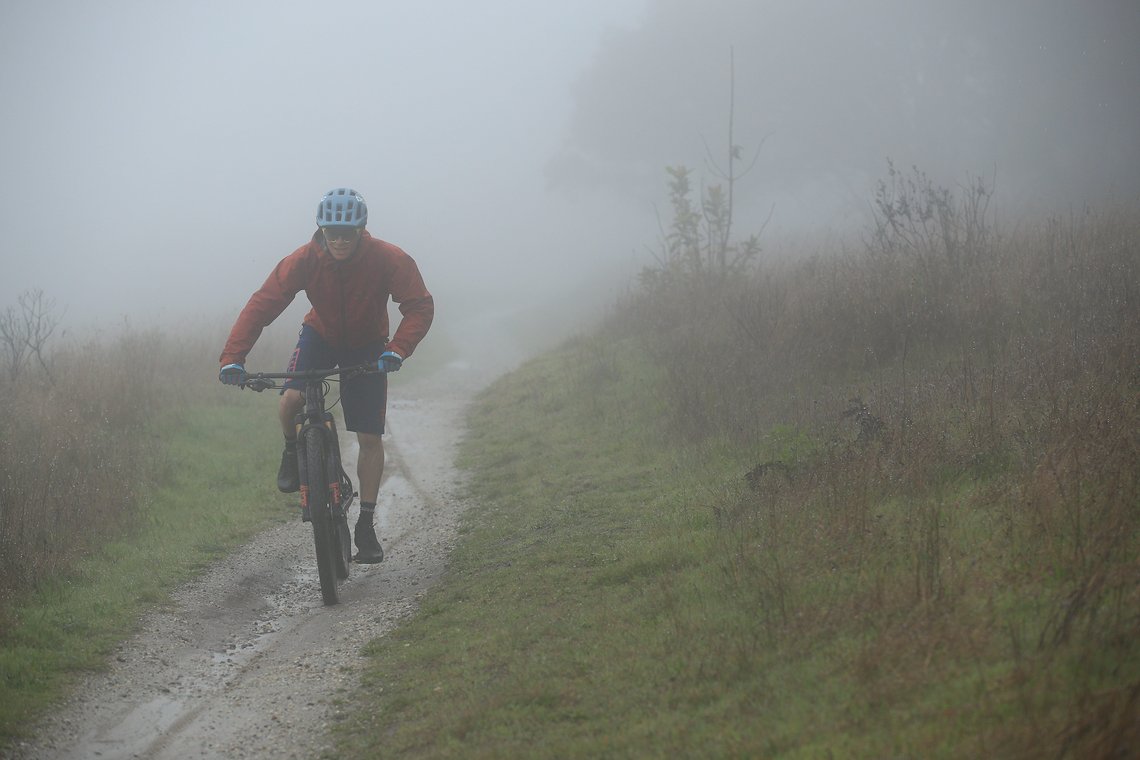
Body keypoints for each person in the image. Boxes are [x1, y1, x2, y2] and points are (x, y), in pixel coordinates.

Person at [217, 187, 434, 564]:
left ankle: (365, 523)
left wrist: (396, 349)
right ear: (320, 229)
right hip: (320, 335)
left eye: (346, 233)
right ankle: (291, 452)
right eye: (331, 232)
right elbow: (262, 305)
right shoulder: (304, 259)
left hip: (368, 344)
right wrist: (233, 358)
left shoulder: (388, 258)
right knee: (291, 401)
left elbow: (419, 306)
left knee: (368, 435)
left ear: (361, 230)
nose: (338, 240)